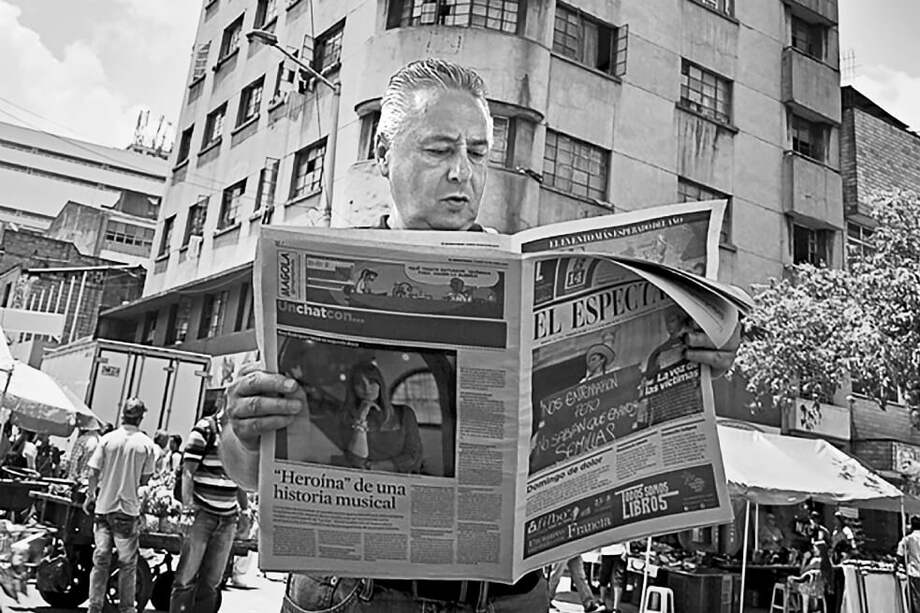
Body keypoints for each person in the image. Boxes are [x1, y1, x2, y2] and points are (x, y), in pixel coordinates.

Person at [220, 58, 741, 613]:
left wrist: (698, 354)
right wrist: (244, 430)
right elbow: (248, 473)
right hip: (355, 595)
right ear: (382, 154)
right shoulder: (323, 277)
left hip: (514, 600)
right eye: (439, 150)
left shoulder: (523, 277)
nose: (462, 173)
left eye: (477, 152)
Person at [169, 408, 251, 613]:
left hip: (228, 519)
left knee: (212, 583)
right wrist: (187, 510)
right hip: (201, 515)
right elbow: (188, 472)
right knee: (185, 580)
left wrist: (245, 510)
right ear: (225, 401)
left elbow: (240, 477)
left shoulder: (241, 435)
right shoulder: (204, 429)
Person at [82, 398, 157, 613]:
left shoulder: (107, 439)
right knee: (128, 564)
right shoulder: (146, 444)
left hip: (104, 509)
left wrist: (90, 496)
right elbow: (145, 481)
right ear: (141, 418)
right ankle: (126, 609)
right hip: (127, 511)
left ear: (122, 414)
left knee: (101, 561)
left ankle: (94, 608)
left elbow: (93, 472)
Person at [336, 360, 422, 473]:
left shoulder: (404, 413)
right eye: (359, 383)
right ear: (353, 388)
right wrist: (361, 418)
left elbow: (414, 457)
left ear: (380, 383)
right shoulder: (347, 417)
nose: (367, 388)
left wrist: (373, 466)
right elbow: (356, 461)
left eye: (371, 381)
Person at [786, 542, 832, 613]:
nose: (814, 551)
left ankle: (795, 608)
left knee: (789, 582)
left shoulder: (815, 561)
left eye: (815, 549)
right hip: (820, 589)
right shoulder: (827, 561)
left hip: (809, 589)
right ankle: (812, 607)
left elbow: (802, 572)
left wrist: (804, 559)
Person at [898, 515, 920, 613]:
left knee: (915, 601)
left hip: (915, 573)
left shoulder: (908, 539)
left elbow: (899, 554)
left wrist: (897, 565)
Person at [598, 542, 629, 612]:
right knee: (606, 579)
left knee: (616, 580)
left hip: (617, 551)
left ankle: (613, 607)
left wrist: (626, 550)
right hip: (608, 551)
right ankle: (605, 604)